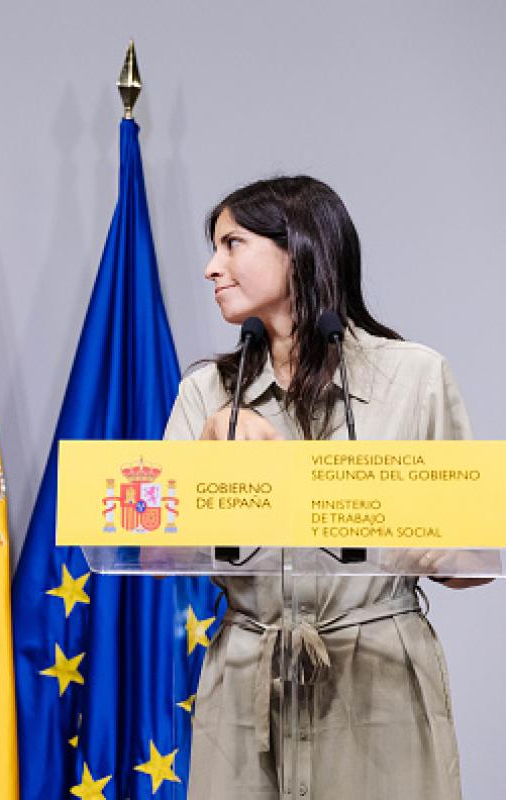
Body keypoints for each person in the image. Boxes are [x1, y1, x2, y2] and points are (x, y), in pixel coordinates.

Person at [164, 175, 489, 799]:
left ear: (299, 249)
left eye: (232, 244)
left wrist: (432, 540)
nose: (210, 267)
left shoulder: (415, 377)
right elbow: (159, 546)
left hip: (380, 677)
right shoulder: (207, 394)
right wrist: (204, 468)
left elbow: (470, 561)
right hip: (245, 675)